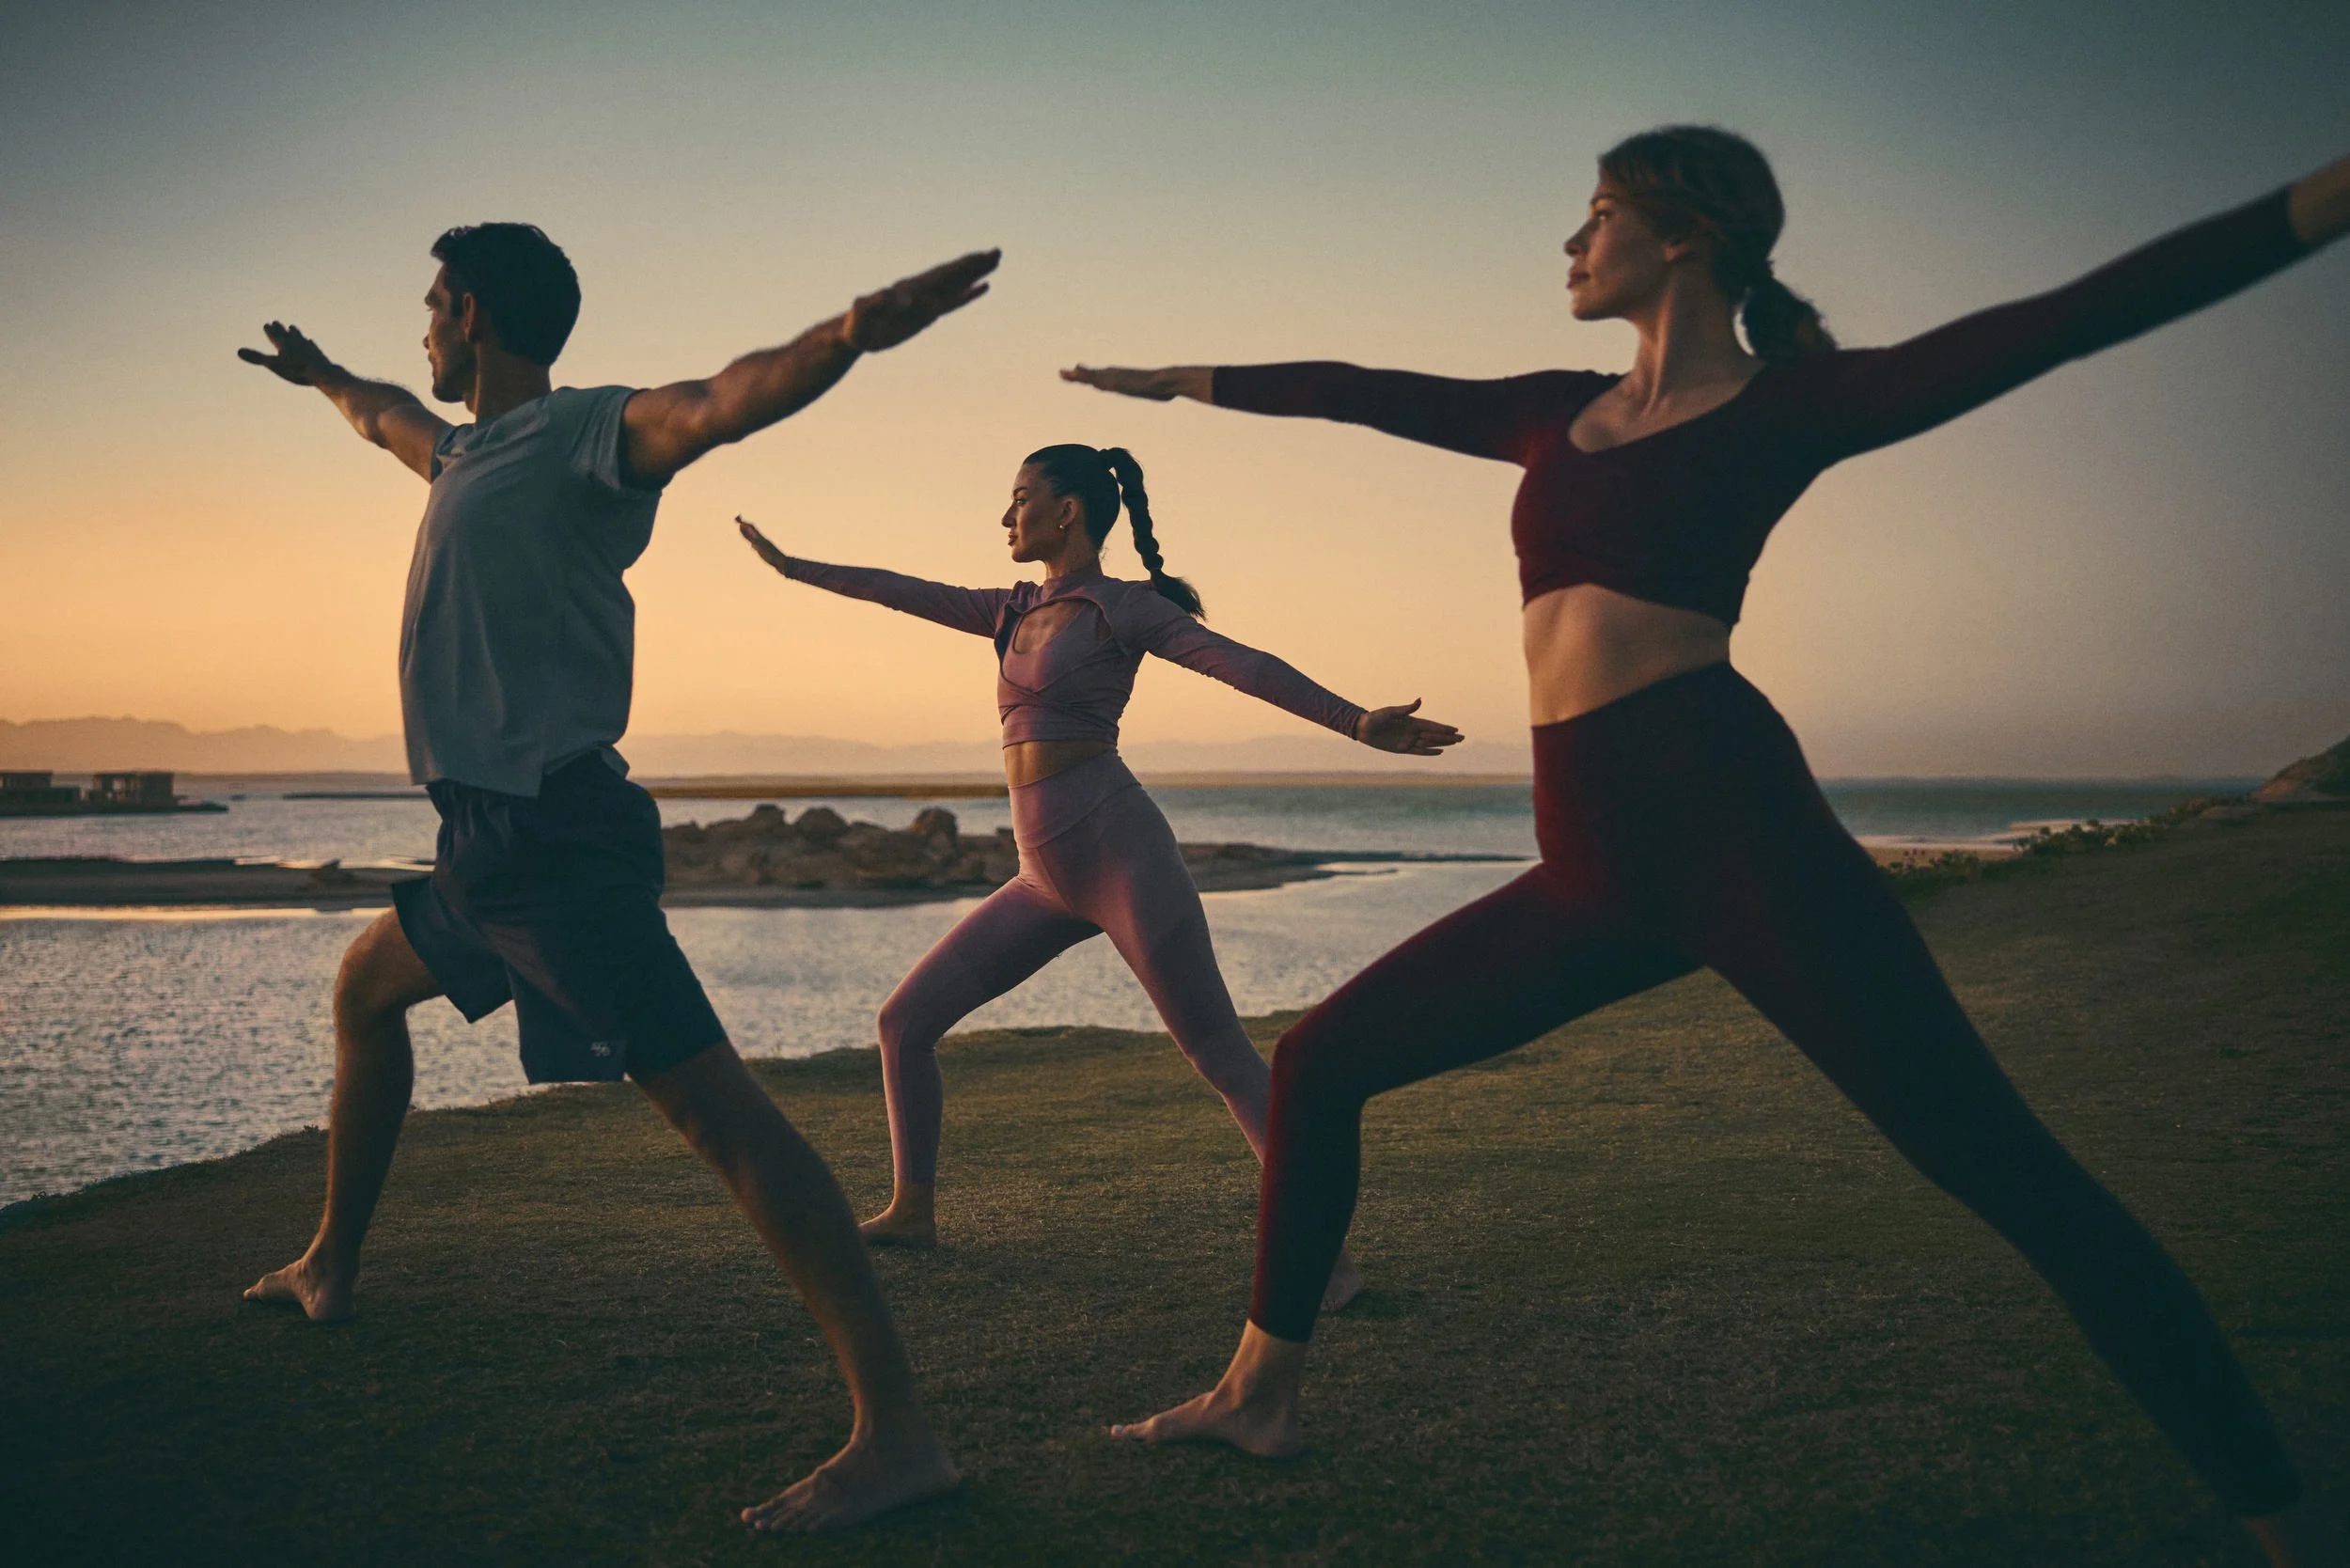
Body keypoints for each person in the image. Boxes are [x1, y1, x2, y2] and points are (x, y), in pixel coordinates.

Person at [1068, 128, 2349, 1562]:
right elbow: (1361, 392)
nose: (1573, 242)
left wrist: (2323, 198)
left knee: (2017, 1181)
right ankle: (1260, 1397)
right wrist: (1181, 380)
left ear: (1683, 235)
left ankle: (2291, 1520)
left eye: (1599, 212)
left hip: (1743, 844)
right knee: (1319, 1063)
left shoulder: (1789, 407)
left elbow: (2068, 319)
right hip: (1590, 871)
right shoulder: (1557, 412)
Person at [237, 221, 999, 1533]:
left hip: (555, 843)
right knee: (364, 992)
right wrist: (319, 376)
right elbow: (379, 414)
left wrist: (847, 336)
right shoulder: (460, 452)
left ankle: (900, 1437)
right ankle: (328, 1265)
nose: (423, 325)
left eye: (434, 304)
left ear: (474, 314)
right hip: (480, 848)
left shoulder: (583, 431)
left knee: (724, 1122)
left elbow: (716, 403)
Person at [736, 443, 1460, 1309]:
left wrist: (1353, 722)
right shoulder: (1008, 608)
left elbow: (1240, 663)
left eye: (1019, 499)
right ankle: (912, 1210)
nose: (1006, 517)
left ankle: (1324, 1260)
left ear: (1067, 509)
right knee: (904, 1023)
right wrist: (794, 568)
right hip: (1041, 878)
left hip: (1121, 854)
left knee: (1220, 1055)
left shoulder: (1126, 609)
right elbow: (899, 589)